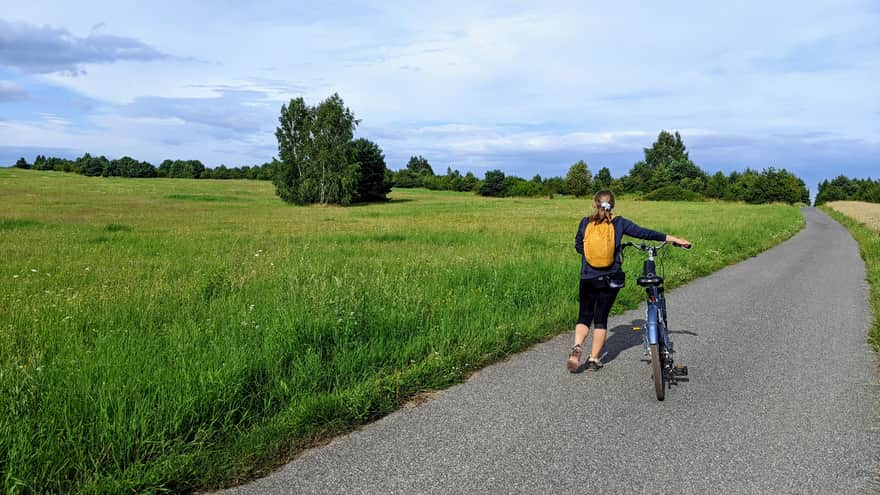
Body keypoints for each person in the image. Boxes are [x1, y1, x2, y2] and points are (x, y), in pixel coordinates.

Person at [567, 190, 691, 372]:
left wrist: (591, 257)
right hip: (611, 277)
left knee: (584, 316)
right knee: (600, 318)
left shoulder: (585, 222)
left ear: (595, 204)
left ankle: (577, 347)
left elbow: (578, 245)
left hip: (588, 276)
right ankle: (593, 359)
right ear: (613, 205)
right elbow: (644, 233)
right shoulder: (619, 222)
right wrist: (673, 239)